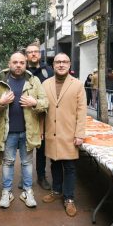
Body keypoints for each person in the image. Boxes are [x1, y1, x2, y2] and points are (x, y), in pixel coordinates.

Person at [0, 51, 48, 209]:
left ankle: (27, 191)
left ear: (26, 64)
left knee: (27, 163)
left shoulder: (34, 81)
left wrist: (34, 102)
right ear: (9, 63)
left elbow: (45, 102)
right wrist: (1, 102)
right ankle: (7, 192)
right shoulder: (0, 81)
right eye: (15, 62)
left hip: (28, 131)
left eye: (21, 62)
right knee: (8, 163)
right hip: (8, 132)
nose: (18, 65)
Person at [42, 53, 86, 217]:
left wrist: (80, 133)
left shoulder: (78, 85)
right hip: (51, 132)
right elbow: (41, 110)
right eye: (58, 62)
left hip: (69, 132)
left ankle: (69, 198)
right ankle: (56, 191)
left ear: (69, 65)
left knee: (69, 167)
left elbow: (82, 111)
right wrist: (41, 130)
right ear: (53, 65)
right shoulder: (45, 84)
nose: (61, 64)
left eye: (64, 62)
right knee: (54, 163)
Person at [25, 42, 54, 190]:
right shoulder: (21, 71)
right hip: (27, 116)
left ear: (40, 54)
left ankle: (41, 177)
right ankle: (26, 176)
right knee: (26, 148)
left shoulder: (49, 71)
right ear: (26, 55)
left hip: (45, 116)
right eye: (30, 52)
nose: (33, 54)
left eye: (36, 51)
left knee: (42, 149)